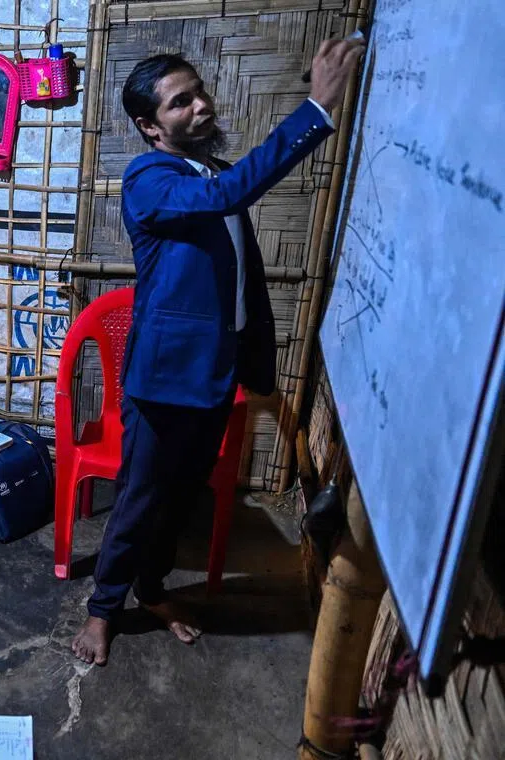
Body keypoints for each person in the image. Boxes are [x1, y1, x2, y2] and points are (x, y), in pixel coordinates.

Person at [70, 37, 365, 666]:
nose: (201, 106)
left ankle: (150, 592)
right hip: (165, 378)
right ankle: (102, 610)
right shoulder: (149, 178)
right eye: (181, 103)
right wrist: (316, 109)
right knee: (141, 496)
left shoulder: (208, 173)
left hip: (212, 373)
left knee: (179, 498)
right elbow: (230, 196)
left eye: (198, 92)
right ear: (151, 127)